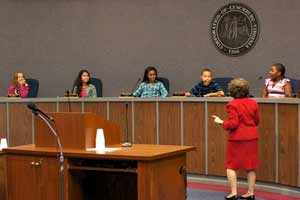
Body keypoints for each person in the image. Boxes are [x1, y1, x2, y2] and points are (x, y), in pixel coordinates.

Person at [212, 78, 260, 200]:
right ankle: (251, 193)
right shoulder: (254, 103)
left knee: (231, 166)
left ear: (232, 91)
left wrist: (221, 122)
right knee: (250, 166)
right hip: (252, 137)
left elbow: (233, 124)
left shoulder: (232, 104)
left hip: (237, 138)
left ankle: (233, 193)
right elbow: (257, 121)